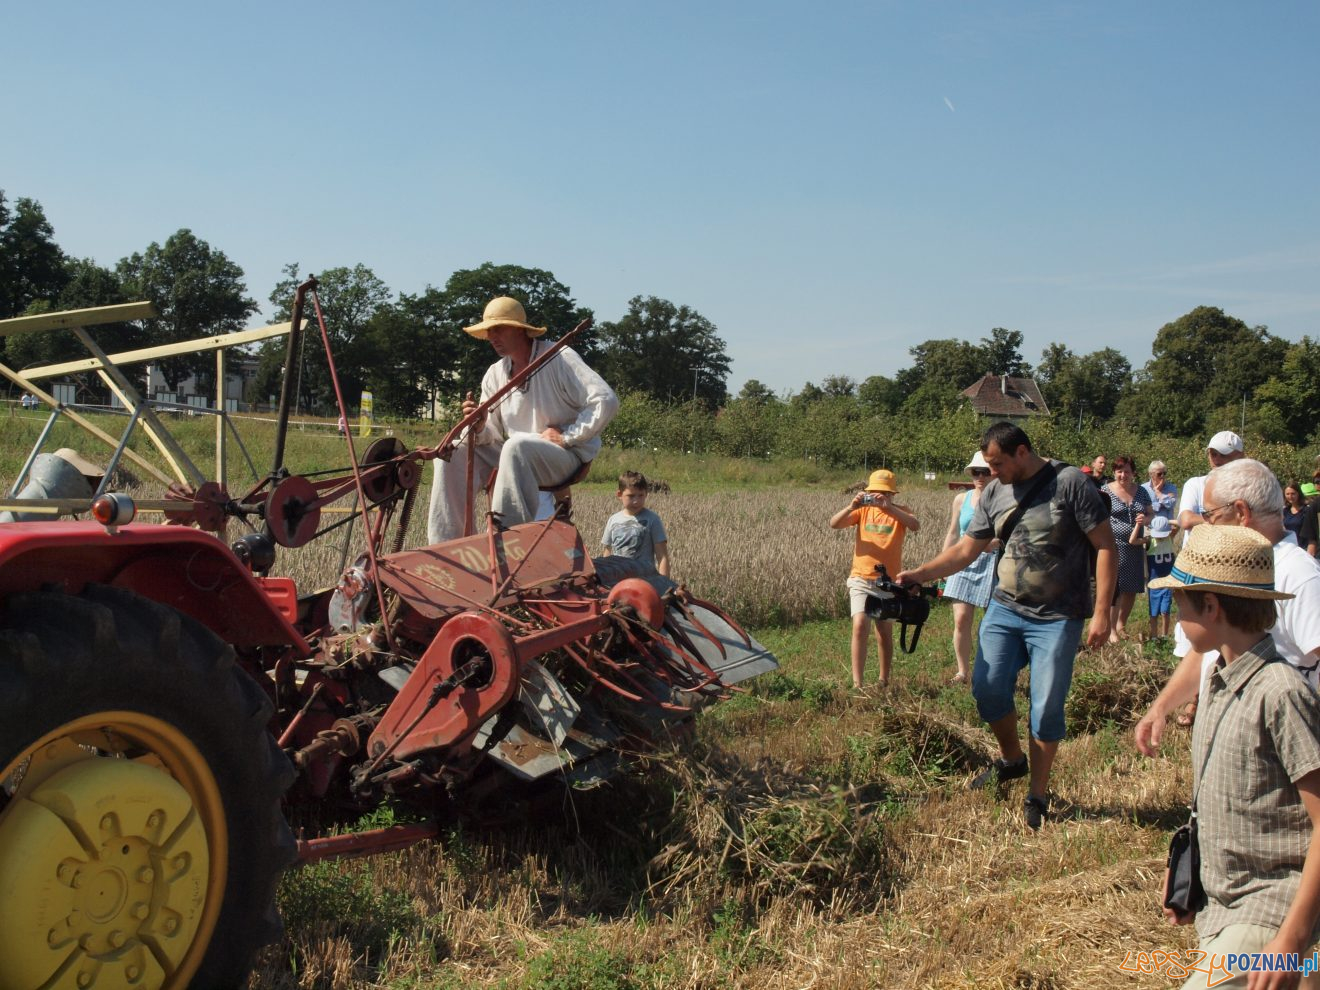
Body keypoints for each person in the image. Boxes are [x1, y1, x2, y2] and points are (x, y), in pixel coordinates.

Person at [896, 422, 1117, 829]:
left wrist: (1102, 612)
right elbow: (966, 550)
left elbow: (1105, 546)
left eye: (997, 464)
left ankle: (1037, 794)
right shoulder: (994, 492)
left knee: (1046, 704)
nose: (991, 473)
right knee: (987, 688)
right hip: (1005, 609)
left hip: (1058, 616)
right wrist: (918, 575)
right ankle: (1012, 758)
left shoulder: (1070, 484)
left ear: (1021, 452)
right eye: (987, 465)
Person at [1149, 525, 1320, 990]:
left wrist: (1294, 937)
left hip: (1270, 911)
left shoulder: (1280, 693)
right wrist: (1192, 868)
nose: (1177, 618)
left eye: (1182, 604)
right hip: (1222, 909)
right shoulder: (1218, 679)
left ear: (1211, 607)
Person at [1135, 459, 1320, 757]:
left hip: (1276, 752)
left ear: (1241, 512)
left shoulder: (1298, 574)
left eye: (1210, 514)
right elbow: (1208, 651)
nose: (1205, 524)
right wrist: (1162, 707)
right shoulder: (1235, 567)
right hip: (1231, 736)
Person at [426, 297, 618, 544]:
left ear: (520, 329)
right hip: (515, 456)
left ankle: (502, 544)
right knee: (450, 454)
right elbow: (491, 437)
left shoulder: (558, 357)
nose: (492, 336)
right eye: (488, 330)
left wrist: (569, 436)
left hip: (565, 456)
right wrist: (480, 425)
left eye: (499, 328)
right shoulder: (495, 373)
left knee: (516, 446)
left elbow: (606, 400)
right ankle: (448, 547)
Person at [829, 468, 921, 692]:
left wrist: (889, 508)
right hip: (861, 577)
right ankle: (857, 683)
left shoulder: (900, 511)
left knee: (883, 630)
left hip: (888, 582)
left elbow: (915, 525)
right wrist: (852, 506)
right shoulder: (862, 512)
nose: (879, 497)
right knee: (860, 625)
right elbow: (834, 523)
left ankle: (883, 680)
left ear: (893, 495)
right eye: (875, 493)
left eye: (885, 493)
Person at [940, 451, 999, 685]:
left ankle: (991, 671)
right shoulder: (961, 499)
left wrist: (996, 542)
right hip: (963, 559)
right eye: (976, 472)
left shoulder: (1003, 498)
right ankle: (962, 671)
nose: (980, 477)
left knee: (992, 622)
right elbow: (953, 532)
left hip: (993, 562)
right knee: (961, 619)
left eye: (985, 472)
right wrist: (945, 563)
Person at [1102, 455, 1152, 642]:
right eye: (1119, 471)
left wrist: (1145, 520)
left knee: (1131, 588)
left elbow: (1151, 514)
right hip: (1113, 544)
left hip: (1135, 546)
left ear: (1133, 473)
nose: (1123, 475)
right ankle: (1111, 630)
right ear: (1114, 472)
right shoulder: (1105, 491)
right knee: (1115, 587)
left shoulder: (1141, 491)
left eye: (1127, 472)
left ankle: (1121, 624)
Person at [600, 470, 670, 577]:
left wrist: (664, 585)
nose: (636, 501)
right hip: (617, 580)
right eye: (631, 496)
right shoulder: (613, 520)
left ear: (646, 494)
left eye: (640, 495)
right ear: (619, 494)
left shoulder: (652, 520)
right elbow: (607, 553)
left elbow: (662, 557)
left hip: (644, 580)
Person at [1177, 431, 1245, 534]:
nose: (1217, 460)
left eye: (1223, 455)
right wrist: (1228, 521)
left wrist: (1208, 519)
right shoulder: (1195, 484)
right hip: (1196, 549)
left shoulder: (1247, 487)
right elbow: (1186, 520)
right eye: (1213, 454)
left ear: (1240, 456)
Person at [1140, 514, 1179, 640]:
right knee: (1153, 611)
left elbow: (1179, 524)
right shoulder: (1150, 541)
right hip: (1154, 583)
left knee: (1165, 611)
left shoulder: (1170, 537)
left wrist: (1164, 522)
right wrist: (1145, 523)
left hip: (1168, 582)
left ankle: (1165, 635)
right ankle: (1154, 636)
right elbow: (1132, 540)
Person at [1143, 460, 1178, 526]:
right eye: (1159, 474)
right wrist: (1161, 504)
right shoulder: (1143, 488)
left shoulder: (1171, 488)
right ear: (1151, 474)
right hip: (1150, 527)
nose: (1162, 476)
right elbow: (1143, 508)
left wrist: (1158, 492)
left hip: (1167, 527)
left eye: (1164, 473)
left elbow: (1171, 505)